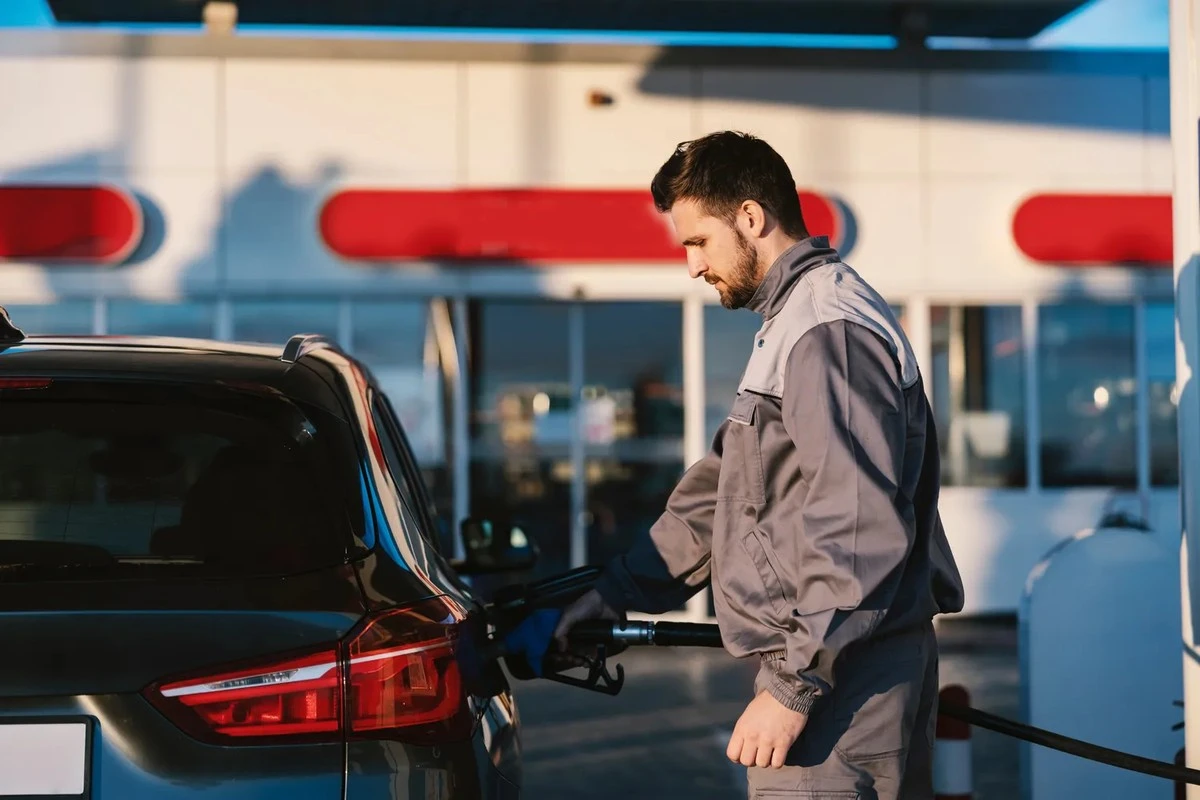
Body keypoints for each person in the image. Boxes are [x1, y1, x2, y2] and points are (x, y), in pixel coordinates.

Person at [552, 131, 965, 798]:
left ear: (750, 217)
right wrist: (614, 595)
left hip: (841, 688)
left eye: (698, 242)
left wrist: (794, 688)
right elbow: (721, 494)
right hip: (837, 670)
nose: (692, 266)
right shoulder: (795, 324)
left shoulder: (826, 331)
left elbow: (857, 530)